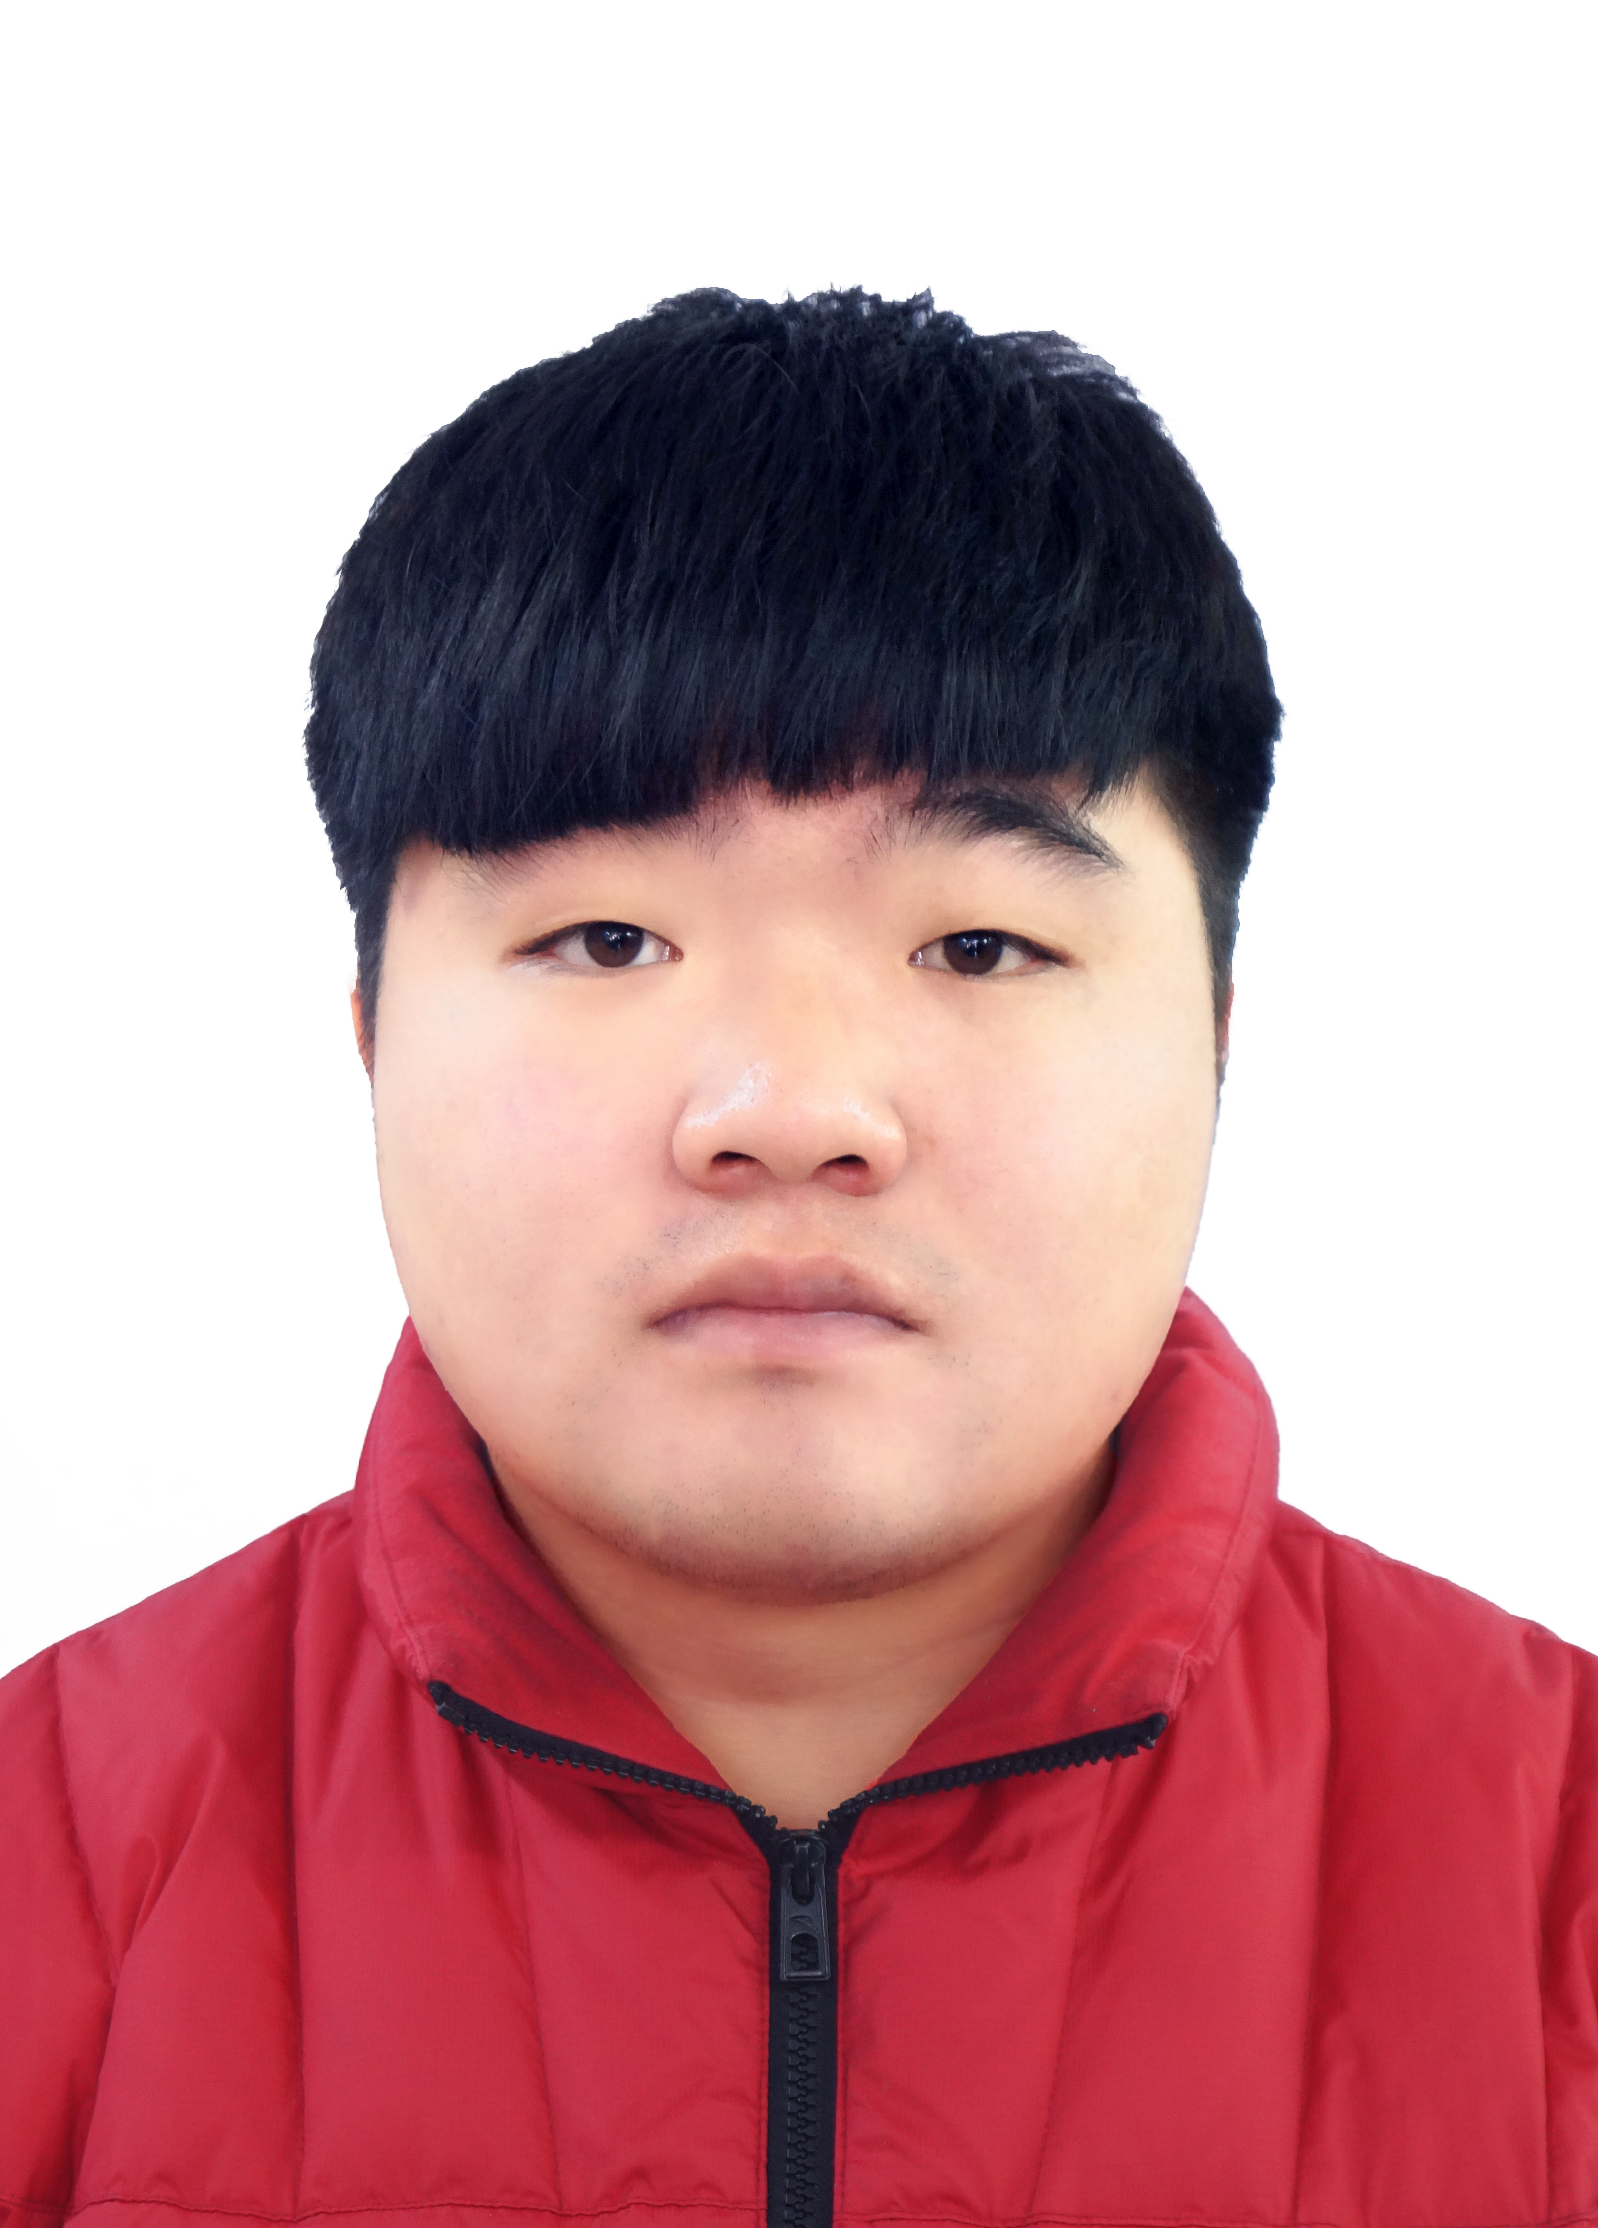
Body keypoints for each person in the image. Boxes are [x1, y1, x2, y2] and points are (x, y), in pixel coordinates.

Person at [2, 287, 1592, 2227]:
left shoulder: (1558, 1882)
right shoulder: (42, 1866)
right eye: (605, 940)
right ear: (369, 1032)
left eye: (978, 944)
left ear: (1215, 1034)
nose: (786, 1105)